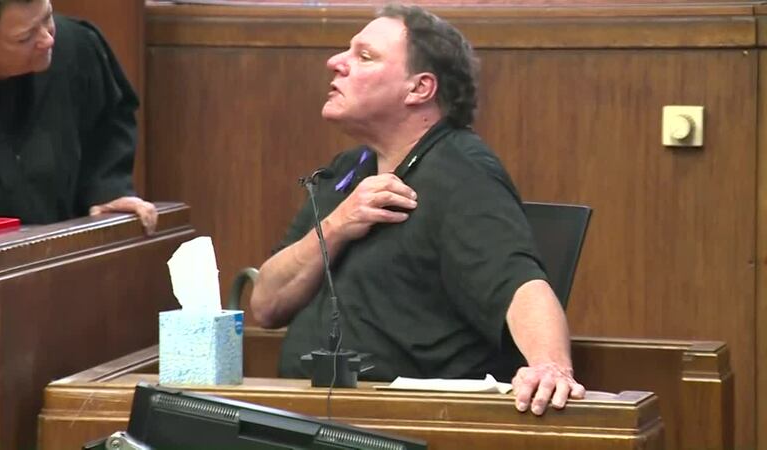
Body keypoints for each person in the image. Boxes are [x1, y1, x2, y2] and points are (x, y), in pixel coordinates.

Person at [250, 4, 585, 416]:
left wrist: (550, 366)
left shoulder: (461, 171)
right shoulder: (348, 170)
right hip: (304, 413)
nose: (335, 62)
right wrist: (338, 225)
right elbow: (266, 305)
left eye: (364, 56)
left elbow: (521, 284)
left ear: (419, 88)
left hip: (405, 423)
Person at [0, 0, 157, 233]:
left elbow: (107, 133)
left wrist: (108, 192)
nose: (48, 39)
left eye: (47, 17)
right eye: (25, 38)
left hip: (65, 244)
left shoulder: (75, 46)